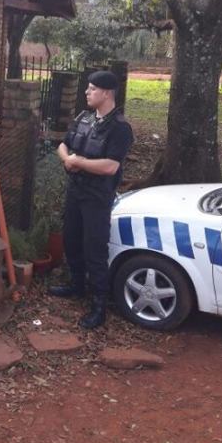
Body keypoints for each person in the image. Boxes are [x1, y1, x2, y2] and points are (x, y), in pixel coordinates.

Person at [48, 70, 133, 329]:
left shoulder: (120, 128)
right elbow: (63, 145)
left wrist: (79, 162)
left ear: (106, 93)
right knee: (71, 240)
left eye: (92, 88)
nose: (87, 92)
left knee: (94, 249)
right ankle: (76, 286)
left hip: (97, 196)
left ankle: (99, 305)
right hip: (76, 190)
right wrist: (68, 159)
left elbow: (110, 166)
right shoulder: (84, 118)